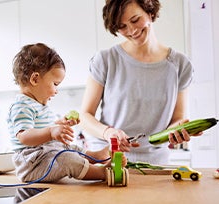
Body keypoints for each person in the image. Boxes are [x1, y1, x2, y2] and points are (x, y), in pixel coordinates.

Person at [80, 0, 195, 165]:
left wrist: (178, 131)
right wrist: (108, 133)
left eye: (135, 20)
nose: (132, 30)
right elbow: (85, 116)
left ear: (150, 11)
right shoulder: (105, 60)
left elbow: (177, 118)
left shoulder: (180, 65)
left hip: (155, 164)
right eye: (122, 26)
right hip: (109, 161)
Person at [7, 43, 126, 183]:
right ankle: (101, 172)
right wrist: (51, 132)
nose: (56, 91)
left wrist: (60, 125)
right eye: (55, 84)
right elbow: (24, 137)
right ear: (35, 79)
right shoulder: (22, 105)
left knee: (69, 147)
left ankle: (95, 156)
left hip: (44, 153)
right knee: (66, 159)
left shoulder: (38, 104)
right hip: (31, 163)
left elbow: (42, 129)